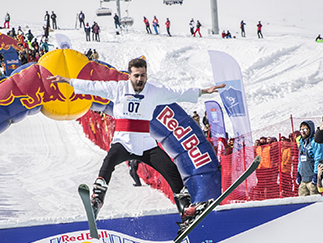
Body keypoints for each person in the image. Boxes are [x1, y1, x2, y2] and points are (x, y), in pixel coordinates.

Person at [48, 58, 225, 226]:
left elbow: (177, 93)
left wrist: (203, 91)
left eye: (143, 75)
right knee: (108, 163)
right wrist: (67, 80)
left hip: (146, 144)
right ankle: (97, 200)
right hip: (123, 141)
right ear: (129, 75)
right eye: (136, 75)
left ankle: (186, 210)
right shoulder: (117, 88)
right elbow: (93, 86)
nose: (140, 79)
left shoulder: (154, 91)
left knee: (172, 172)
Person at [296, 120, 323, 196]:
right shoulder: (301, 143)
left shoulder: (315, 142)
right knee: (302, 202)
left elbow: (318, 158)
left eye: (305, 129)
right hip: (303, 180)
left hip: (312, 180)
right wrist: (298, 172)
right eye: (301, 130)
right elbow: (300, 159)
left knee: (314, 202)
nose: (303, 132)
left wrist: (316, 174)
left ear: (310, 130)